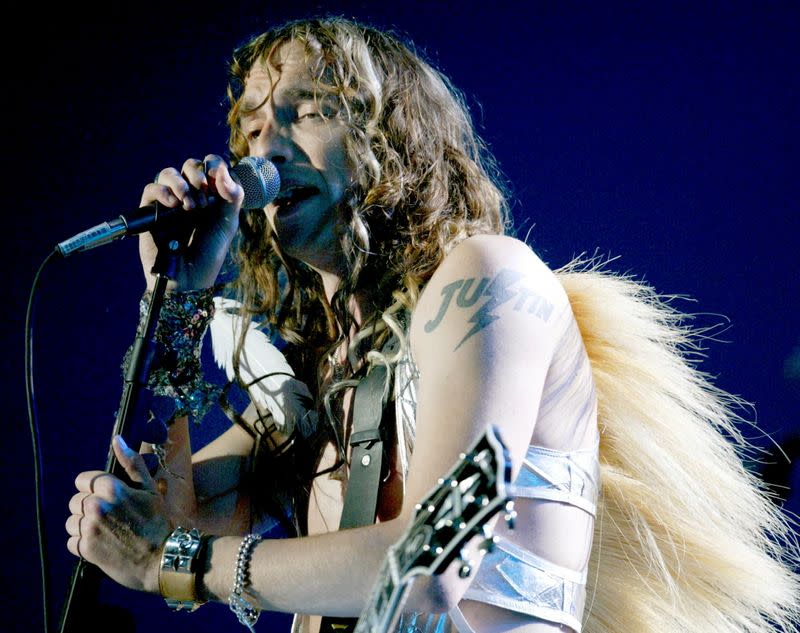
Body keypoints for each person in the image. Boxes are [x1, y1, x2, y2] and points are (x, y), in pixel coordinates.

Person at [65, 17, 799, 633]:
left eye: (310, 108)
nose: (268, 147)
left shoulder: (487, 281)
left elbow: (427, 565)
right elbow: (164, 510)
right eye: (253, 125)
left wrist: (186, 561)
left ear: (396, 139)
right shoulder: (306, 386)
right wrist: (178, 295)